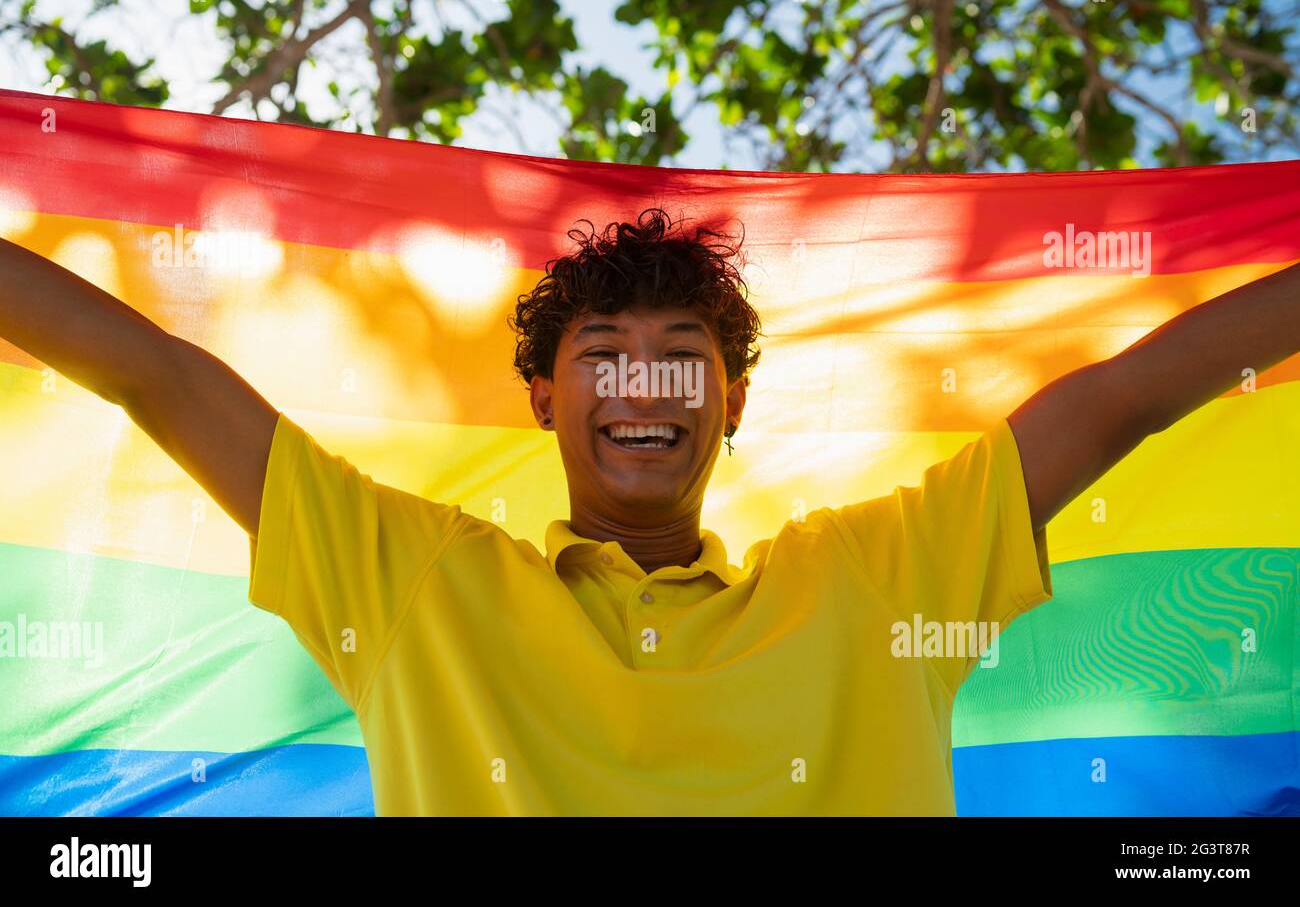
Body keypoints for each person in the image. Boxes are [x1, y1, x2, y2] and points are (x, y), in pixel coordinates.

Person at [2, 206, 1297, 815]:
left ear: (728, 405)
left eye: (684, 354)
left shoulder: (889, 572)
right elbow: (154, 374)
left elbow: (1128, 396)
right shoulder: (410, 575)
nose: (645, 383)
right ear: (542, 402)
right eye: (604, 354)